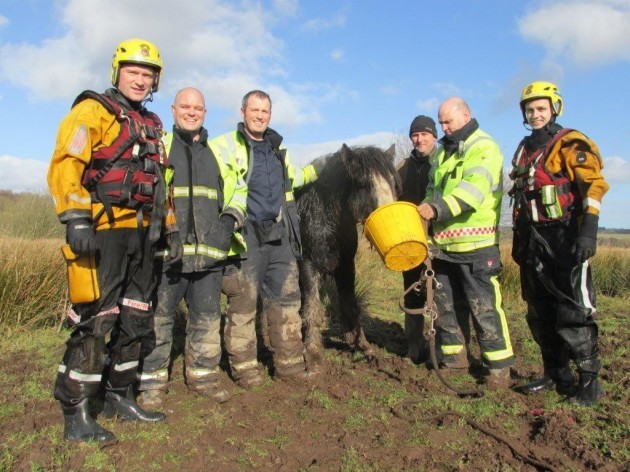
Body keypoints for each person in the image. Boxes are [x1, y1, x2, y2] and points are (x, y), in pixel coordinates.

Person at [48, 38, 183, 443]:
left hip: (144, 232)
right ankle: (76, 409)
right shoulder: (92, 111)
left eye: (147, 75)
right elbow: (66, 163)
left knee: (136, 316)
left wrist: (171, 228)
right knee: (96, 319)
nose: (140, 81)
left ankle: (118, 396)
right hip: (103, 231)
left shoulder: (154, 126)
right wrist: (75, 218)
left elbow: (162, 184)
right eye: (133, 72)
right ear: (117, 72)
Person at [137, 88, 247, 408]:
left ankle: (203, 375)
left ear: (205, 112)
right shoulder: (159, 148)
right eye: (185, 106)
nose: (191, 112)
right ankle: (152, 380)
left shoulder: (220, 153)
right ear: (172, 110)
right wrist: (159, 233)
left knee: (207, 317)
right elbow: (145, 195)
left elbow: (240, 192)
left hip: (210, 255)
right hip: (166, 255)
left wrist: (228, 222)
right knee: (159, 318)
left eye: (197, 107)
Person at [209, 90, 323, 388]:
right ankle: (245, 369)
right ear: (243, 111)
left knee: (287, 300)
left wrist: (321, 168)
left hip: (279, 235)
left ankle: (290, 364)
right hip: (246, 236)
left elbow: (294, 179)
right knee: (243, 305)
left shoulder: (275, 150)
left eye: (265, 111)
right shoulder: (224, 146)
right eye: (255, 110)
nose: (260, 116)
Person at [510, 81, 609, 406]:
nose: (535, 114)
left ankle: (590, 382)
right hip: (533, 241)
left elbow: (593, 185)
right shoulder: (524, 149)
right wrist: (520, 241)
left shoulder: (569, 143)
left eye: (541, 108)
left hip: (566, 237)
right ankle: (556, 374)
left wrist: (588, 231)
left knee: (573, 311)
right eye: (530, 109)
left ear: (554, 108)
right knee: (539, 311)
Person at [418, 97, 514, 387]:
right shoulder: (443, 154)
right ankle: (454, 359)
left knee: (483, 307)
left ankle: (498, 370)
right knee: (446, 308)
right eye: (441, 123)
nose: (444, 128)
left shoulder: (483, 146)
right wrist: (420, 211)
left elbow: (473, 191)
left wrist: (434, 210)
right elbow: (433, 190)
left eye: (448, 121)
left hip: (477, 248)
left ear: (466, 115)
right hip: (444, 248)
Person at [396, 115, 438, 364]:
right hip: (409, 242)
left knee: (438, 296)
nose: (419, 139)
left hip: (439, 241)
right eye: (415, 134)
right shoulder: (402, 166)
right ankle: (413, 346)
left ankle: (439, 348)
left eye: (424, 134)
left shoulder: (442, 161)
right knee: (412, 293)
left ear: (434, 136)